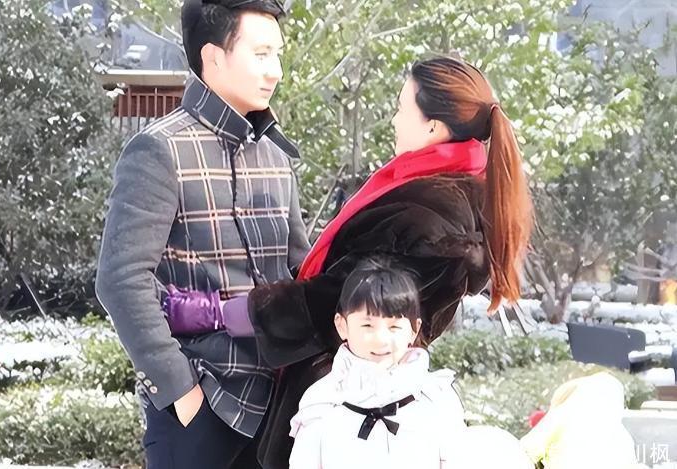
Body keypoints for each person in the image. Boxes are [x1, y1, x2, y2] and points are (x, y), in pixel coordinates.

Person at [245, 56, 535, 467]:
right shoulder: (433, 189)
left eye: (401, 108)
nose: (394, 120)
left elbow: (345, 297)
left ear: (433, 127)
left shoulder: (429, 214)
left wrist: (235, 313)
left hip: (357, 407)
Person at [94, 0, 310, 467]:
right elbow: (121, 279)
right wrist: (179, 388)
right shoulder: (159, 149)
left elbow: (299, 268)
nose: (275, 71)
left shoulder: (275, 155)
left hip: (279, 406)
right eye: (261, 54)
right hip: (202, 403)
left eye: (277, 54)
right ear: (213, 57)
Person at [287, 259, 466, 469]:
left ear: (414, 330)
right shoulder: (321, 402)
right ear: (342, 326)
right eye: (367, 325)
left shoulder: (437, 399)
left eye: (394, 327)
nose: (381, 339)